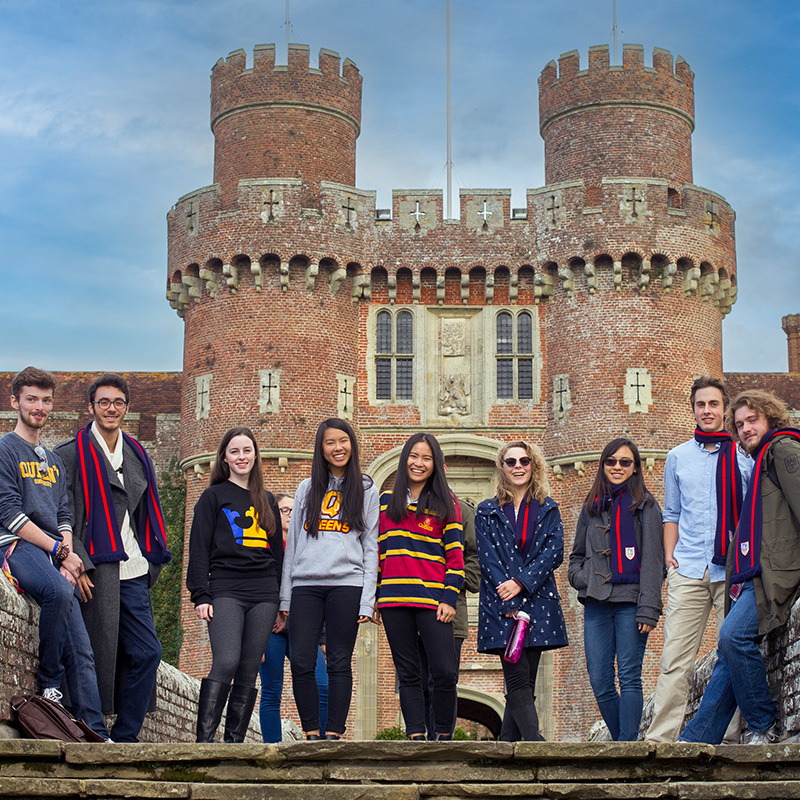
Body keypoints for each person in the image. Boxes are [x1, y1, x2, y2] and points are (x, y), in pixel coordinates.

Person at [55, 373, 171, 742]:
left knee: (148, 652)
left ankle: (125, 736)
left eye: (118, 403)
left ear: (126, 408)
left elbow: (146, 514)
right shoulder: (70, 454)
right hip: (93, 569)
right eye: (103, 402)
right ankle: (84, 728)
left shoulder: (137, 454)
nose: (111, 409)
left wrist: (150, 562)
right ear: (91, 407)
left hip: (133, 567)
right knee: (91, 651)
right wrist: (76, 561)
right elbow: (61, 514)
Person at [680, 390, 800, 745]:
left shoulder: (783, 449)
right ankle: (697, 739)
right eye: (740, 424)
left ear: (770, 418)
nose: (746, 429)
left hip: (775, 571)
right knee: (727, 655)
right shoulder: (762, 457)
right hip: (754, 570)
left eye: (753, 420)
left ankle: (763, 725)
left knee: (733, 637)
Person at [0, 367, 109, 739]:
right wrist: (61, 553)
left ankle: (95, 732)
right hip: (17, 545)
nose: (39, 407)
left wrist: (66, 554)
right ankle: (48, 682)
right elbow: (9, 514)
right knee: (59, 591)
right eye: (31, 399)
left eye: (46, 400)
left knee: (82, 650)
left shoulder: (53, 460)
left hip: (52, 551)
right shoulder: (5, 449)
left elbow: (64, 514)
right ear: (15, 402)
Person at [646, 376, 752, 743]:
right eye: (700, 405)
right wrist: (670, 557)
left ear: (725, 409)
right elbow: (672, 512)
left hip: (732, 570)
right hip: (688, 567)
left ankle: (728, 736)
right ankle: (660, 739)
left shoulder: (743, 456)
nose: (707, 411)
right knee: (675, 657)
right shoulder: (678, 457)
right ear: (692, 409)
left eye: (713, 404)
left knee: (731, 652)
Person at [279, 418, 379, 740]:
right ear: (321, 449)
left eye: (343, 441)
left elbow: (371, 546)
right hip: (306, 584)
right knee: (301, 661)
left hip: (346, 584)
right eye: (330, 442)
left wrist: (367, 599)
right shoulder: (306, 489)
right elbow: (293, 544)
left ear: (352, 444)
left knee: (339, 661)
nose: (338, 448)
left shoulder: (366, 489)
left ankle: (334, 732)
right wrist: (285, 596)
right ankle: (311, 732)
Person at [187, 426, 281, 742]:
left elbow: (277, 555)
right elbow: (199, 548)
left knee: (249, 668)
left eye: (247, 451)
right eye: (235, 451)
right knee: (226, 661)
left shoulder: (267, 500)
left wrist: (281, 601)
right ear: (224, 458)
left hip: (264, 593)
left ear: (255, 456)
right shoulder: (213, 497)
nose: (242, 457)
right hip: (226, 588)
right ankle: (204, 743)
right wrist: (201, 595)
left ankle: (234, 745)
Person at [569, 437, 664, 741]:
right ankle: (625, 742)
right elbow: (576, 555)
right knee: (600, 680)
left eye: (625, 462)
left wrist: (649, 608)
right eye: (611, 462)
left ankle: (626, 746)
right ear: (603, 465)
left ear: (635, 467)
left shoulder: (646, 506)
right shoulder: (592, 507)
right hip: (596, 601)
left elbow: (654, 561)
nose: (617, 467)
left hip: (631, 603)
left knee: (629, 676)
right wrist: (582, 577)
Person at [475, 440, 568, 742]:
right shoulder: (487, 511)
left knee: (526, 682)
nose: (518, 467)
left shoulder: (548, 508)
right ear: (502, 467)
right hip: (502, 603)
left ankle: (505, 746)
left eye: (524, 461)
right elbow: (488, 558)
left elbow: (553, 553)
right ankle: (536, 743)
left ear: (533, 465)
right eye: (511, 462)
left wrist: (521, 583)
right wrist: (510, 596)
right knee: (516, 678)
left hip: (538, 603)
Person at [376, 433, 465, 741]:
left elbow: (455, 557)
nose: (419, 463)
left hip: (432, 600)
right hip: (393, 599)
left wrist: (449, 598)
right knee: (408, 673)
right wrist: (375, 595)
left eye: (426, 458)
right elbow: (379, 552)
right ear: (405, 460)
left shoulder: (446, 504)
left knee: (444, 671)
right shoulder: (386, 501)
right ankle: (415, 735)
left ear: (435, 464)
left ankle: (443, 736)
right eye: (414, 456)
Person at [258, 493, 328, 742]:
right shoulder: (264, 547)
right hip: (272, 629)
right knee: (272, 690)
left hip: (303, 627)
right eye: (284, 510)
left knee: (322, 685)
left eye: (293, 510)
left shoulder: (306, 548)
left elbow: (319, 592)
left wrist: (323, 637)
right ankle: (272, 748)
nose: (290, 515)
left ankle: (320, 743)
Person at [419, 493, 480, 739]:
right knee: (418, 683)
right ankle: (422, 742)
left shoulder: (462, 511)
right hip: (412, 609)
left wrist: (452, 581)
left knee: (443, 680)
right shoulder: (404, 507)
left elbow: (476, 559)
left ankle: (441, 743)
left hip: (450, 612)